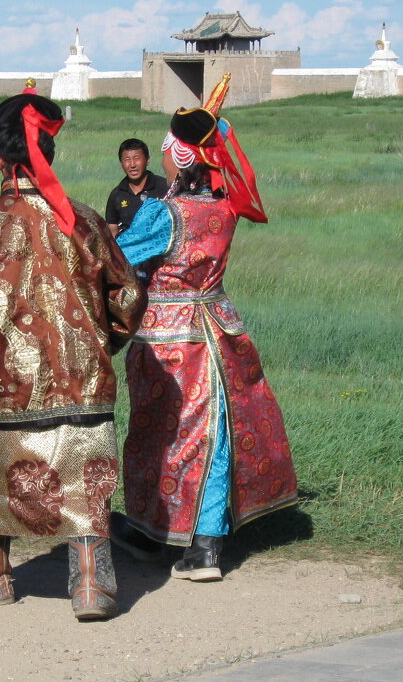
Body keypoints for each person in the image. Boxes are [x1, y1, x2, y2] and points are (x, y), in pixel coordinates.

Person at [0, 81, 145, 620]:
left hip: (1, 396)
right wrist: (100, 346)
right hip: (85, 393)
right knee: (87, 493)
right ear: (50, 151)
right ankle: (92, 585)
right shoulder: (85, 221)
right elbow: (128, 296)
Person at [112, 73, 297, 582]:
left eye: (167, 151)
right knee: (213, 433)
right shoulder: (224, 209)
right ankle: (202, 539)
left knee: (160, 433)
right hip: (219, 326)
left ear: (177, 156)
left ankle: (176, 535)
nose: (163, 158)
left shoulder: (161, 213)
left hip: (170, 336)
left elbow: (117, 260)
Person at [104, 138, 168, 236]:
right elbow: (112, 231)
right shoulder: (117, 194)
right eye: (127, 160)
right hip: (128, 249)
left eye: (137, 158)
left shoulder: (164, 187)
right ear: (121, 163)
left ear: (147, 160)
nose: (132, 165)